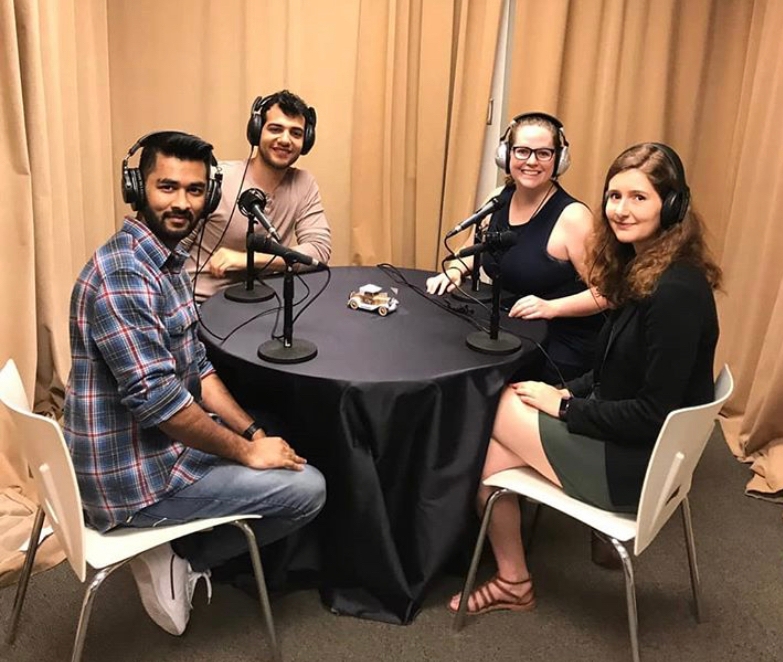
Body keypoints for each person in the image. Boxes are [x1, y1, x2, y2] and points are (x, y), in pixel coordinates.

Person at [64, 131, 326, 636]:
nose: (182, 203)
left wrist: (251, 434)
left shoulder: (165, 258)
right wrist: (249, 455)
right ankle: (181, 555)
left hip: (142, 450)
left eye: (195, 190)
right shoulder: (125, 274)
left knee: (271, 426)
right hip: (130, 481)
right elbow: (162, 404)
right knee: (308, 490)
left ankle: (182, 543)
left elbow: (197, 368)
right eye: (167, 187)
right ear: (136, 187)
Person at [448, 142, 721, 615]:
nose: (621, 209)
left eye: (639, 197)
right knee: (492, 455)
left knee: (488, 403)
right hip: (628, 448)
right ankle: (513, 580)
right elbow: (615, 371)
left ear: (672, 205)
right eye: (615, 196)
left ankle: (450, 536)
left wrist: (564, 407)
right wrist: (563, 391)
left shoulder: (676, 291)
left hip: (634, 470)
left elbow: (651, 414)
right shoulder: (644, 271)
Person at [426, 112, 605, 384]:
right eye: (522, 151)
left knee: (476, 387)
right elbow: (473, 251)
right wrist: (454, 271)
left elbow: (607, 293)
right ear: (506, 155)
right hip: (512, 330)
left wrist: (551, 307)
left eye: (543, 153)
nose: (531, 161)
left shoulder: (574, 218)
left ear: (559, 160)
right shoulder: (497, 199)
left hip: (559, 347)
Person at [184, 90, 331, 302]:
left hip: (261, 303)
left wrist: (247, 260)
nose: (285, 140)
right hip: (201, 303)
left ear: (306, 141)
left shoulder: (303, 183)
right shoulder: (218, 178)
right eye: (275, 129)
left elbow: (318, 251)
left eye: (296, 133)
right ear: (256, 131)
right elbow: (173, 248)